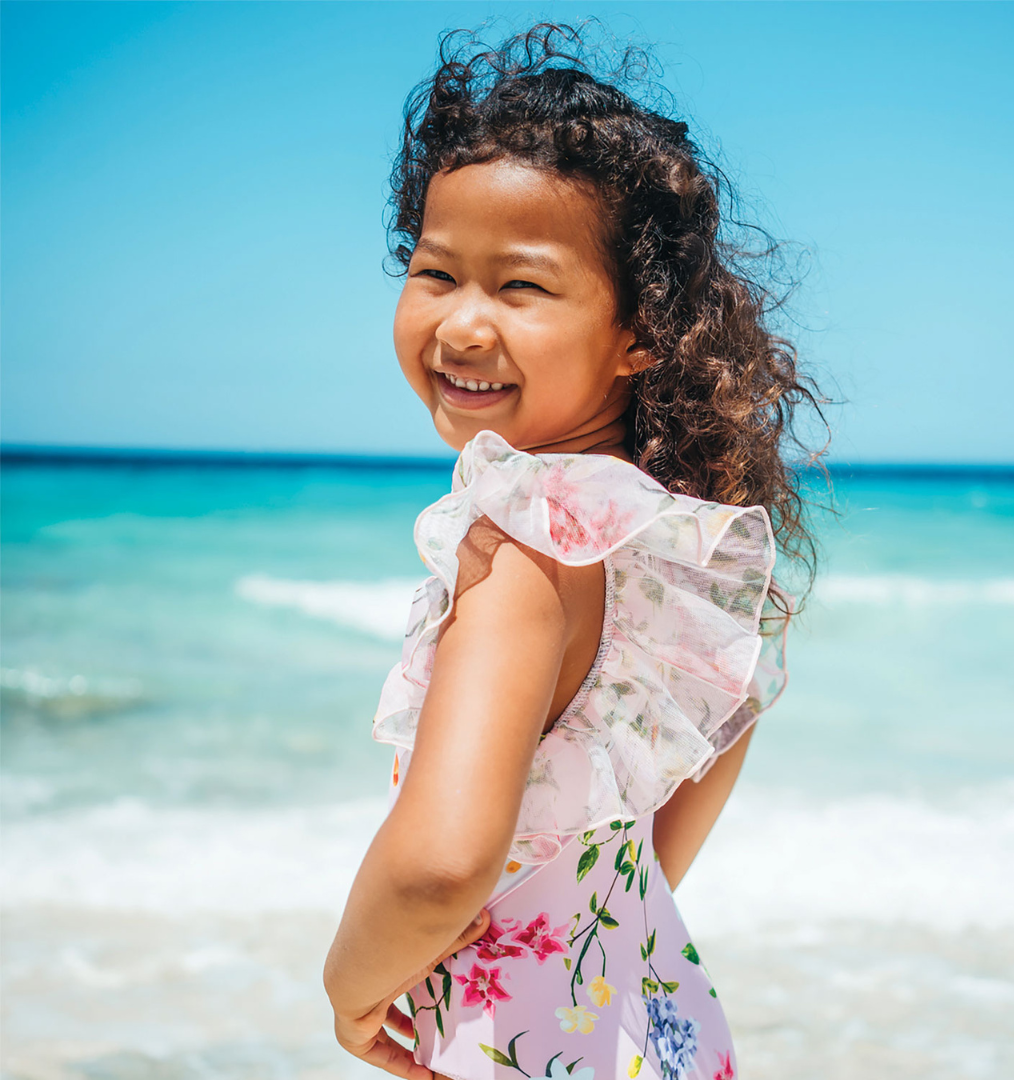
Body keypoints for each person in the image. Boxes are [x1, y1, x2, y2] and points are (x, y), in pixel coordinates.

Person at [324, 20, 826, 1080]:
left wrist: (351, 988)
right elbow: (716, 739)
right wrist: (598, 922)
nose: (462, 326)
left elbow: (441, 864)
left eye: (521, 288)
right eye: (437, 272)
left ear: (641, 332)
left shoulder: (523, 550)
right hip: (655, 1023)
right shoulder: (661, 535)